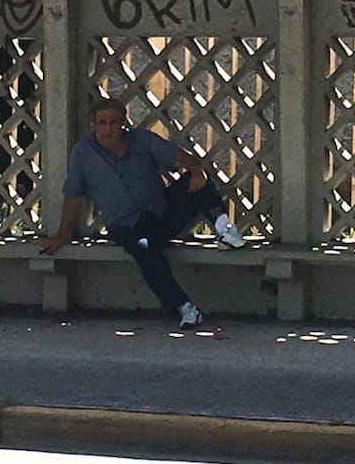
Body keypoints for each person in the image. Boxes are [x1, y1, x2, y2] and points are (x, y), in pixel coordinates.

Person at [40, 97, 245, 329]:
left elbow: (179, 158)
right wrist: (62, 235)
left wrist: (197, 170)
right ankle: (184, 307)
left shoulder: (142, 140)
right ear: (93, 125)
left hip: (159, 212)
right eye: (102, 123)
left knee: (196, 181)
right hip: (126, 224)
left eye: (114, 123)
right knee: (145, 249)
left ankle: (224, 229)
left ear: (123, 123)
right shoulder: (83, 153)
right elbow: (73, 195)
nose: (108, 129)